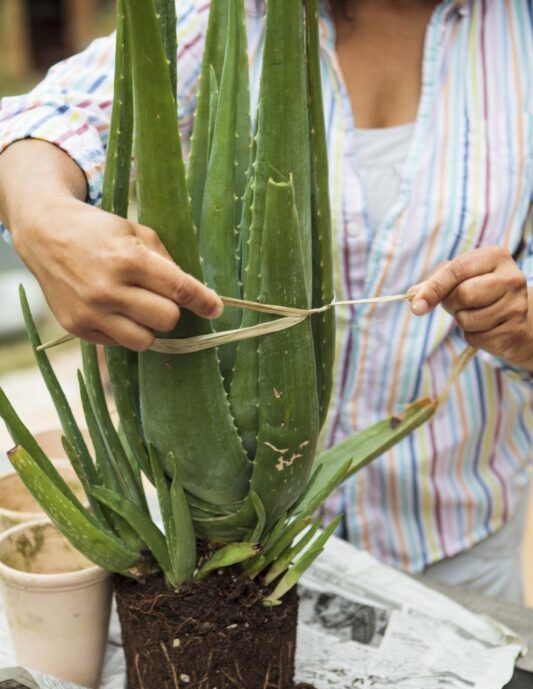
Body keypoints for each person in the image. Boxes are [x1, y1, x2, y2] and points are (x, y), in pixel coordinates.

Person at [0, 0, 531, 602]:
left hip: (453, 542)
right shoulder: (233, 14)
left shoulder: (520, 33)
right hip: (208, 546)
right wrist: (42, 216)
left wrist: (523, 327)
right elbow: (37, 116)